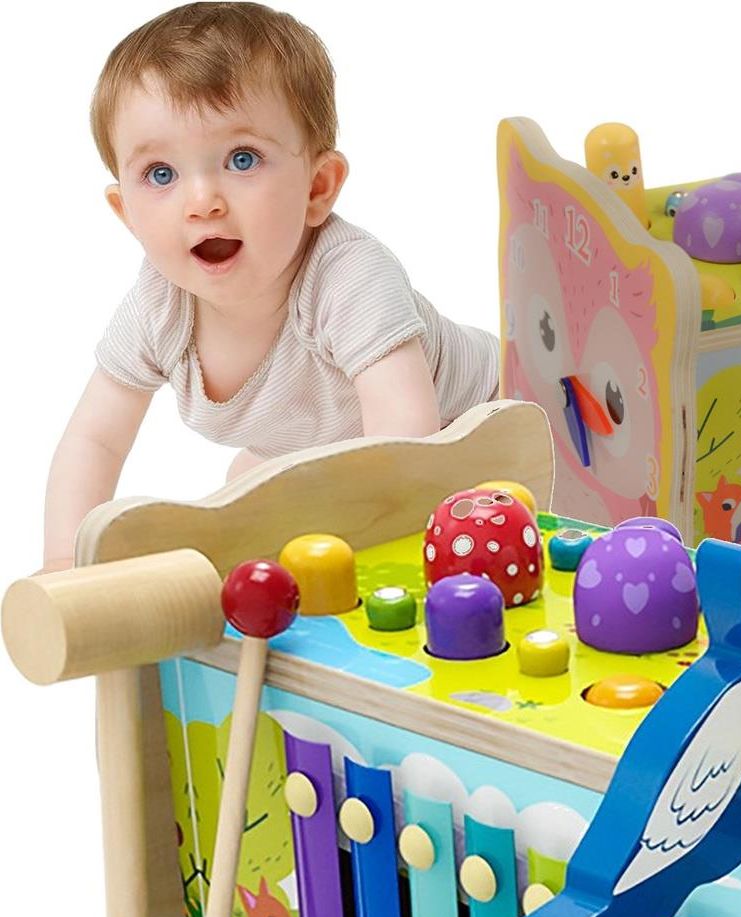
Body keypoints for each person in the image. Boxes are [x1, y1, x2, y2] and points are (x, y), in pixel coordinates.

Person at [42, 2, 499, 568]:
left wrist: (357, 561)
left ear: (317, 188)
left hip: (475, 422)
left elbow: (405, 434)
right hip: (330, 445)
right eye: (161, 174)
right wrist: (63, 564)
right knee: (241, 493)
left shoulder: (348, 276)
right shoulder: (157, 308)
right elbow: (95, 440)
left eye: (242, 159)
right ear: (126, 212)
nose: (202, 201)